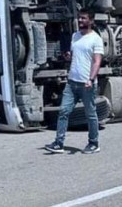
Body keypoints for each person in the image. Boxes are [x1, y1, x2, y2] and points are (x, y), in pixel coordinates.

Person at [44, 9, 104, 154]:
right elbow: (75, 56)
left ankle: (93, 143)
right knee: (64, 111)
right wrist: (68, 56)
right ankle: (59, 143)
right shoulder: (75, 36)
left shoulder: (96, 39)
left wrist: (91, 79)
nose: (80, 21)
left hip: (86, 84)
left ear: (91, 21)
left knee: (90, 114)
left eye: (83, 18)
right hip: (72, 82)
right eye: (79, 18)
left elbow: (97, 62)